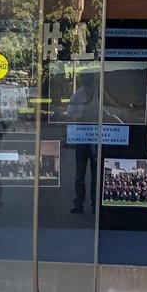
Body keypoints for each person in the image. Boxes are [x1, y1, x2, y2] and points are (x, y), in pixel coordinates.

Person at [66, 70, 98, 215]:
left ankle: (95, 204)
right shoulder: (77, 95)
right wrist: (81, 111)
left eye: (89, 81)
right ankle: (79, 203)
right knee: (80, 173)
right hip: (81, 137)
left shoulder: (99, 94)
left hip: (97, 137)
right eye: (85, 82)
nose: (88, 85)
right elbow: (69, 113)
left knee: (96, 174)